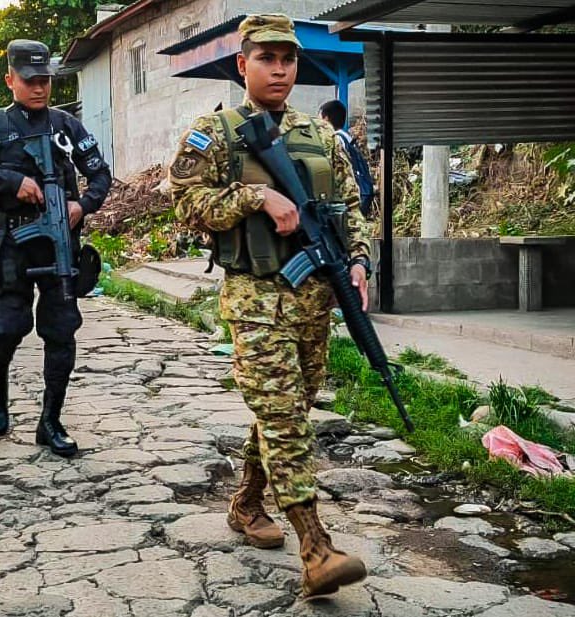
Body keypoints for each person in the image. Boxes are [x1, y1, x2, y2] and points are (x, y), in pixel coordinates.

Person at [168, 15, 371, 597]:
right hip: (255, 297)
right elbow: (185, 205)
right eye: (266, 58)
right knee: (284, 419)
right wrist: (257, 197)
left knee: (287, 414)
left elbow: (349, 208)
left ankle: (246, 504)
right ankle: (316, 549)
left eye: (288, 59)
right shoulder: (214, 133)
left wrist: (358, 260)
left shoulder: (320, 134)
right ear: (243, 64)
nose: (279, 69)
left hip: (313, 300)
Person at [0, 39, 112, 457]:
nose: (39, 88)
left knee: (62, 330)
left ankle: (50, 421)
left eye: (45, 81)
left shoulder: (67, 125)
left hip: (60, 241)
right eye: (30, 81)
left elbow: (100, 175)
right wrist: (10, 183)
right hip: (13, 241)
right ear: (10, 80)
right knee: (8, 327)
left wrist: (83, 205)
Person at [319, 99, 376, 218]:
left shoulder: (336, 140)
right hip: (361, 194)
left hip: (349, 198)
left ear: (326, 119)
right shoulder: (347, 139)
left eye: (319, 117)